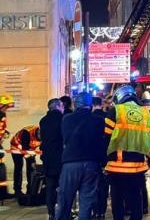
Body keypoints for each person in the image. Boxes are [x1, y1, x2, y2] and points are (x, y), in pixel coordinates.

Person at [104, 85, 150, 220]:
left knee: (117, 199)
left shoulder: (115, 111)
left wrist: (103, 160)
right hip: (138, 167)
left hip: (116, 166)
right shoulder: (145, 113)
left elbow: (106, 137)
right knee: (136, 199)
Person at [55, 92, 105, 220]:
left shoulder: (66, 119)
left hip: (70, 163)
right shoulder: (99, 120)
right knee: (87, 202)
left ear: (76, 104)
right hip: (91, 163)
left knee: (65, 200)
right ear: (90, 105)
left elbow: (65, 139)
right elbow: (100, 141)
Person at [39, 98, 64, 219]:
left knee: (50, 186)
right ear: (58, 107)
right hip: (60, 158)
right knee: (62, 187)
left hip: (47, 159)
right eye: (62, 106)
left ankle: (51, 213)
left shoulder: (43, 120)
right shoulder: (62, 119)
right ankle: (62, 211)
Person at [9, 124, 41, 197]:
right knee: (19, 167)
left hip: (29, 149)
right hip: (16, 147)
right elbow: (25, 150)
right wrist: (32, 162)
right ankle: (17, 190)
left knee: (31, 169)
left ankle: (30, 189)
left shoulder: (44, 134)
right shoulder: (26, 133)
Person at [91, 97, 108, 219]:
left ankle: (95, 210)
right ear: (101, 105)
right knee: (103, 184)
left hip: (92, 156)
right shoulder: (107, 117)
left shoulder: (89, 118)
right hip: (105, 156)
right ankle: (102, 210)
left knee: (92, 185)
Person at [0, 94, 15, 201]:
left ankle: (3, 192)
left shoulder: (2, 114)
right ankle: (2, 193)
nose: (7, 109)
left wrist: (5, 132)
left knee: (1, 169)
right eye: (6, 106)